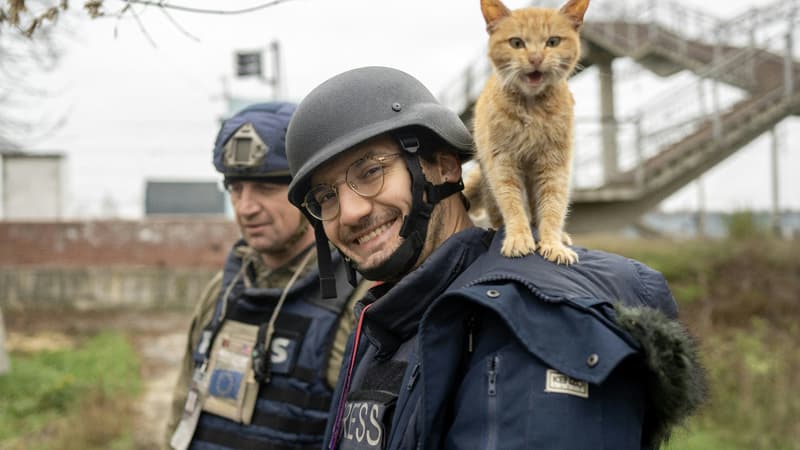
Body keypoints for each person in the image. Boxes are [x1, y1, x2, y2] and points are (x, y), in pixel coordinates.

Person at [284, 66, 706, 450]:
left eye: (370, 171)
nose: (352, 211)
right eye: (326, 197)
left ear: (445, 166)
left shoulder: (529, 325)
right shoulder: (389, 320)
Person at [167, 102, 369, 450]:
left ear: (310, 191)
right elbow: (180, 414)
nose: (246, 207)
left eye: (265, 188)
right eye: (235, 187)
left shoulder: (359, 297)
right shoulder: (223, 290)